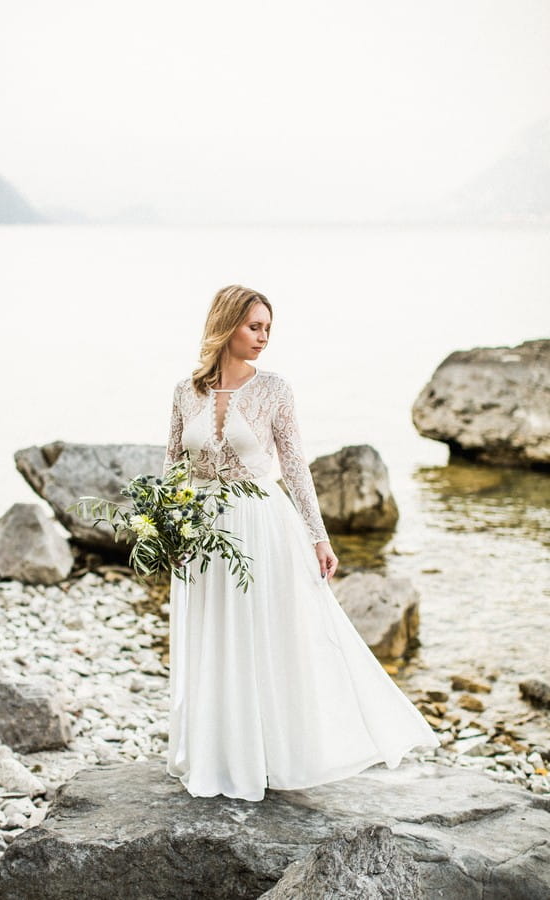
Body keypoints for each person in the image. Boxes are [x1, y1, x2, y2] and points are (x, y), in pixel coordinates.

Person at [162, 284, 440, 802]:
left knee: (261, 636)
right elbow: (172, 466)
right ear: (226, 325)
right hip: (201, 535)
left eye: (268, 327)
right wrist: (169, 526)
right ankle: (215, 752)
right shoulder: (185, 391)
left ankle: (264, 754)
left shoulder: (276, 390)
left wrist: (319, 536)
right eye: (254, 326)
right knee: (212, 635)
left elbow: (294, 467)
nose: (264, 336)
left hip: (260, 528)